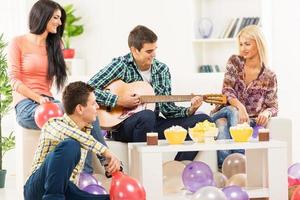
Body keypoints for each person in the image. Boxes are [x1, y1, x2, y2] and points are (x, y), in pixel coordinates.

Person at [88, 25, 212, 161]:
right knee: (146, 116)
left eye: (155, 49)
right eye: (149, 51)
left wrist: (191, 109)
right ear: (134, 51)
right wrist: (118, 100)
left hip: (153, 124)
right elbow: (88, 89)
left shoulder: (161, 69)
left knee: (204, 121)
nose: (154, 54)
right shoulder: (121, 65)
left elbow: (167, 109)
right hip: (125, 126)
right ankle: (143, 169)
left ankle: (177, 166)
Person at [7, 0, 104, 174]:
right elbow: (14, 80)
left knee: (87, 111)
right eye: (56, 18)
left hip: (49, 104)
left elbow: (57, 84)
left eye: (60, 18)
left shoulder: (56, 45)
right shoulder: (18, 42)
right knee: (75, 113)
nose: (60, 23)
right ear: (43, 17)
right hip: (27, 106)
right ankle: (102, 161)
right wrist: (39, 99)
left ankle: (86, 173)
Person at [24, 81, 121, 200]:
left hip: (64, 187)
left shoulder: (85, 132)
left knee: (110, 199)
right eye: (93, 103)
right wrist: (105, 152)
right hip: (37, 189)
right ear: (80, 108)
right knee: (71, 145)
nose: (97, 106)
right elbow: (72, 134)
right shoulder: (53, 124)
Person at [211, 25, 278, 168]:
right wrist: (240, 107)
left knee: (222, 125)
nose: (243, 48)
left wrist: (266, 112)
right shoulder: (235, 62)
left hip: (250, 121)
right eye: (241, 44)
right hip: (225, 110)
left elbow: (273, 106)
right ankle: (240, 164)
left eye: (247, 44)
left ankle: (227, 169)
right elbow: (227, 90)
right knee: (231, 111)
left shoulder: (269, 76)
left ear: (258, 44)